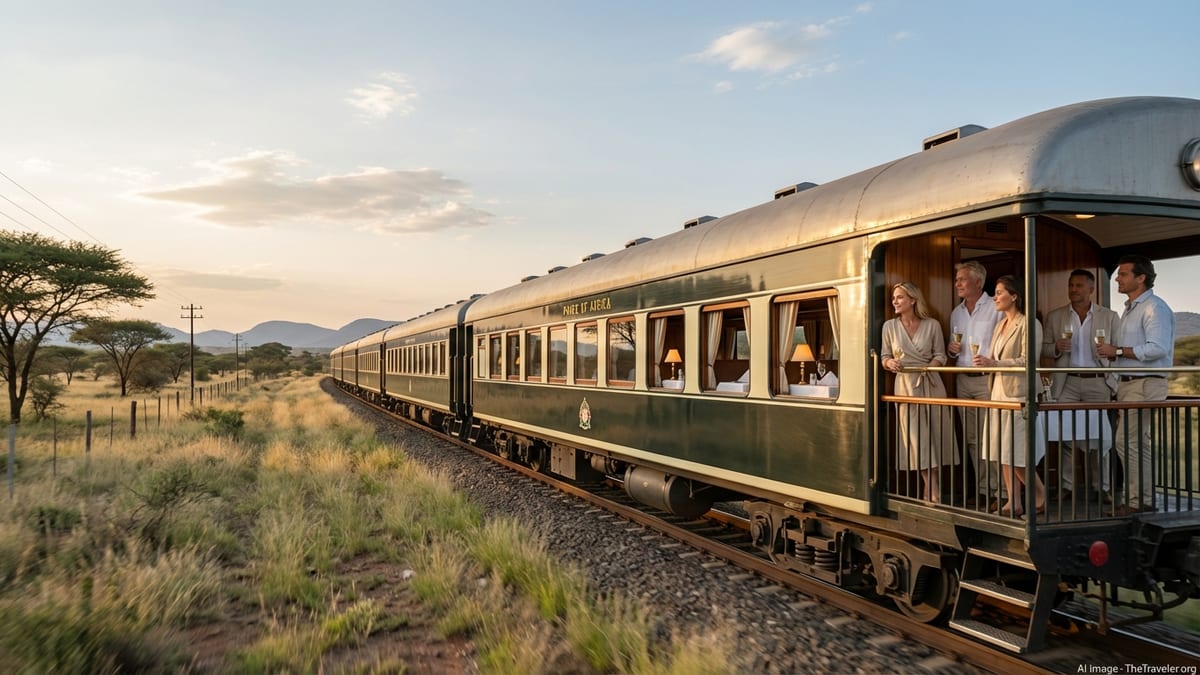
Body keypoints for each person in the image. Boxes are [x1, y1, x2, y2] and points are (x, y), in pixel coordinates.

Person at [1096, 255, 1175, 516]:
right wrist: (1116, 356)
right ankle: (1142, 500)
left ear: (1141, 278)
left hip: (1145, 384)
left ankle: (1137, 502)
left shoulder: (1154, 307)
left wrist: (1118, 351)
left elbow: (1157, 348)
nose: (1117, 279)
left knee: (1127, 443)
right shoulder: (1131, 308)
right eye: (1117, 274)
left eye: (1123, 274)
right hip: (1130, 384)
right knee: (1135, 444)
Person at [1040, 269, 1120, 501]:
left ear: (1091, 289)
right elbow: (1043, 348)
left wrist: (1109, 354)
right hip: (1067, 382)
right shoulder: (1055, 316)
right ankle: (1067, 486)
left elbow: (1118, 349)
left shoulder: (1109, 316)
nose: (1073, 290)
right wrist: (1056, 347)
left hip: (1098, 381)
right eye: (1071, 285)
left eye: (1079, 286)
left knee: (1100, 437)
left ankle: (1101, 487)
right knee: (1065, 435)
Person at [975, 275, 1046, 518]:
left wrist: (995, 363)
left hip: (1019, 394)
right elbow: (995, 358)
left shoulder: (1030, 323)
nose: (995, 297)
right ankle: (1013, 502)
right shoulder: (1000, 325)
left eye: (999, 292)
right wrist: (986, 364)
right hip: (998, 392)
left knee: (1017, 452)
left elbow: (1029, 360)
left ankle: (1040, 495)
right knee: (1001, 450)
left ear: (1014, 296)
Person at [882, 282, 957, 503]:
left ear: (913, 300)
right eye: (894, 298)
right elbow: (884, 356)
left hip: (932, 384)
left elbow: (941, 355)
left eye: (899, 297)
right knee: (916, 438)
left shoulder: (932, 325)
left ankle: (933, 485)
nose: (895, 301)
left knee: (936, 433)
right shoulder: (889, 326)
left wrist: (929, 368)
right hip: (905, 386)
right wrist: (889, 363)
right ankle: (931, 485)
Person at [946, 260, 1002, 508]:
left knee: (992, 436)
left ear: (978, 282)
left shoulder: (995, 307)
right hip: (963, 378)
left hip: (987, 379)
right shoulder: (956, 313)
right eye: (957, 279)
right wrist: (952, 349)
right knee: (972, 438)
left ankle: (1000, 491)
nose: (957, 284)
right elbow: (953, 350)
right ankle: (983, 489)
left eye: (962, 279)